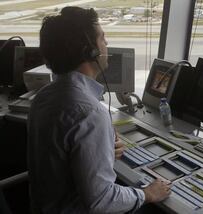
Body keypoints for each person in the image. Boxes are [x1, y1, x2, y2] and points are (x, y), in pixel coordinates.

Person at [28, 7, 170, 213]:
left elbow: (60, 160)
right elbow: (101, 201)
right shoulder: (88, 112)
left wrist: (102, 153)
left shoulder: (45, 96)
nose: (107, 44)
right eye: (102, 38)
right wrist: (147, 194)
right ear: (90, 51)